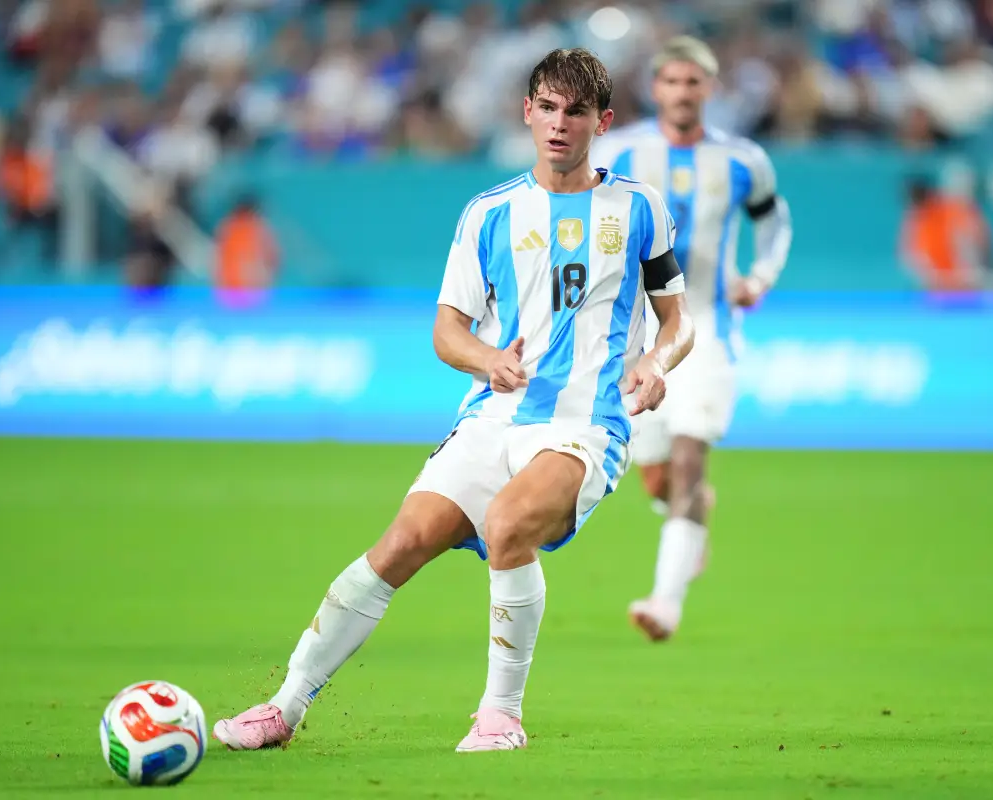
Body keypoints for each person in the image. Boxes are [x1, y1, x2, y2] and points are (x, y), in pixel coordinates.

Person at [212, 48, 694, 753]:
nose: (561, 124)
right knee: (397, 546)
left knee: (508, 526)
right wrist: (488, 360)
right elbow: (447, 331)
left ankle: (500, 716)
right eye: (549, 108)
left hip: (586, 423)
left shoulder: (639, 207)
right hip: (494, 415)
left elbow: (677, 320)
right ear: (527, 112)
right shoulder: (489, 214)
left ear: (604, 121)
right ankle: (284, 707)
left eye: (577, 112)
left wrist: (656, 363)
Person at [590, 37, 793, 642]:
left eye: (694, 82)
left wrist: (759, 276)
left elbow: (774, 218)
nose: (683, 92)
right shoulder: (621, 151)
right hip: (636, 340)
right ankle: (692, 521)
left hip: (708, 335)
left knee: (686, 458)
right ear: (656, 90)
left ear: (710, 89)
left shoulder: (742, 160)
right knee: (657, 477)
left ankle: (664, 601)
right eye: (672, 82)